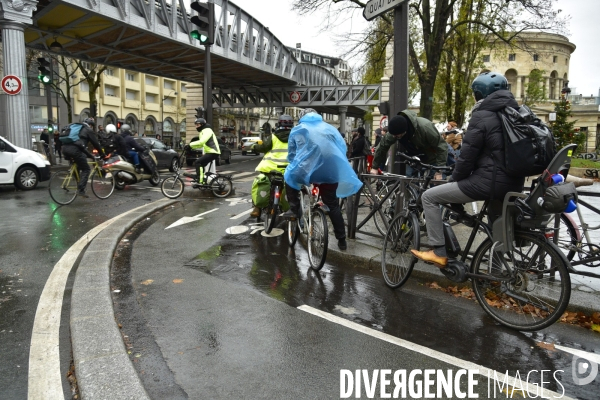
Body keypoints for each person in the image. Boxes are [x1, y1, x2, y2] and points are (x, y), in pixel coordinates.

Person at [410, 71, 525, 268]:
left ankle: (438, 251)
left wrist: (453, 179)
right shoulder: (515, 113)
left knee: (429, 197)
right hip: (513, 182)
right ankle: (497, 273)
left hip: (488, 182)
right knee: (495, 225)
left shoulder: (482, 116)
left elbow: (467, 158)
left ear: (479, 94)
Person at [282, 108, 362, 251]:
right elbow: (342, 147)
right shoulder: (330, 128)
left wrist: (296, 164)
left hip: (307, 170)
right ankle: (342, 240)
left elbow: (292, 154)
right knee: (332, 204)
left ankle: (294, 210)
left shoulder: (298, 129)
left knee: (289, 176)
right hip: (330, 170)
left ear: (302, 117)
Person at [369, 111, 447, 176]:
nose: (394, 137)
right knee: (410, 180)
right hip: (414, 158)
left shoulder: (425, 128)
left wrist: (439, 171)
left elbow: (441, 147)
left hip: (433, 158)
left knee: (434, 183)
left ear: (404, 132)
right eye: (393, 135)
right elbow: (382, 147)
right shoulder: (394, 132)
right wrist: (375, 167)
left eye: (396, 136)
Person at [249, 114, 293, 218]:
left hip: (271, 168)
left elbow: (264, 147)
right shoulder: (295, 137)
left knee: (263, 181)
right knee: (291, 187)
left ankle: (257, 207)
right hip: (289, 169)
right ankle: (290, 208)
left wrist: (254, 146)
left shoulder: (273, 137)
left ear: (278, 124)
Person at [61, 118, 106, 197]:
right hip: (75, 150)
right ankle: (81, 190)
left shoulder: (76, 128)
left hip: (64, 149)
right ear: (91, 125)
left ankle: (78, 184)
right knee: (86, 169)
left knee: (77, 166)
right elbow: (96, 143)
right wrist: (102, 154)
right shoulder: (88, 129)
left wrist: (90, 155)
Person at [184, 118, 221, 184]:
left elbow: (202, 142)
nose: (196, 127)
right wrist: (191, 147)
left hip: (213, 152)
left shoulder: (207, 130)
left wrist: (190, 145)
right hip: (211, 152)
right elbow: (201, 144)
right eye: (195, 125)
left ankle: (200, 180)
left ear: (202, 124)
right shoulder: (203, 131)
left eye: (197, 125)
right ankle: (202, 179)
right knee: (201, 165)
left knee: (198, 162)